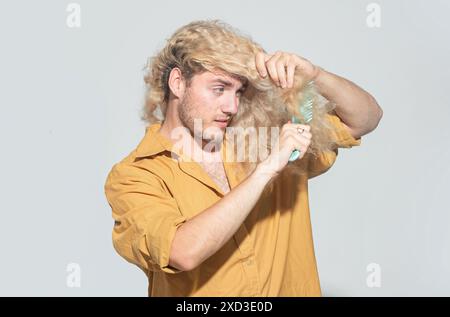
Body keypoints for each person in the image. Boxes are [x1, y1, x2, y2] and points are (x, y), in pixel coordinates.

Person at [104, 20, 383, 297]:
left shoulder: (262, 138)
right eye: (219, 88)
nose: (232, 106)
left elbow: (366, 118)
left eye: (238, 91)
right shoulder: (134, 175)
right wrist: (266, 170)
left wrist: (315, 75)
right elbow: (182, 252)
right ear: (177, 83)